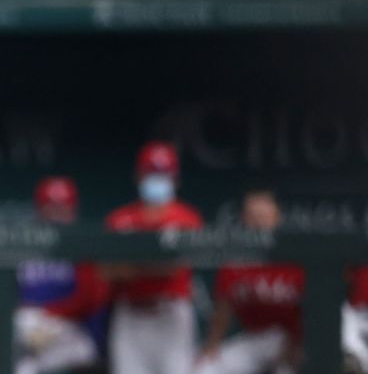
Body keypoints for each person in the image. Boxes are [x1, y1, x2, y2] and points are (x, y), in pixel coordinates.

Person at [104, 140, 204, 374]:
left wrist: (130, 265)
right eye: (150, 173)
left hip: (171, 313)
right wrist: (150, 263)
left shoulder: (187, 218)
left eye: (164, 174)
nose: (157, 179)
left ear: (176, 179)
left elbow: (173, 267)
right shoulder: (119, 219)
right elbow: (106, 270)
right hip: (130, 314)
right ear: (138, 176)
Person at [195, 190, 304, 374]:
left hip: (292, 339)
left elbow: (312, 312)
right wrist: (212, 346)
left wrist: (296, 345)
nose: (258, 222)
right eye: (253, 216)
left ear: (276, 218)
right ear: (244, 220)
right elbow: (223, 309)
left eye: (263, 216)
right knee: (206, 368)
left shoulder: (297, 257)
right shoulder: (236, 262)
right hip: (255, 338)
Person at [14, 177, 109, 374]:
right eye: (51, 209)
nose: (56, 216)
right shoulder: (24, 245)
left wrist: (51, 313)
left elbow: (91, 299)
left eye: (62, 210)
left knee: (29, 368)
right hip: (28, 325)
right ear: (40, 210)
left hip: (73, 332)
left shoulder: (84, 247)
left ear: (73, 211)